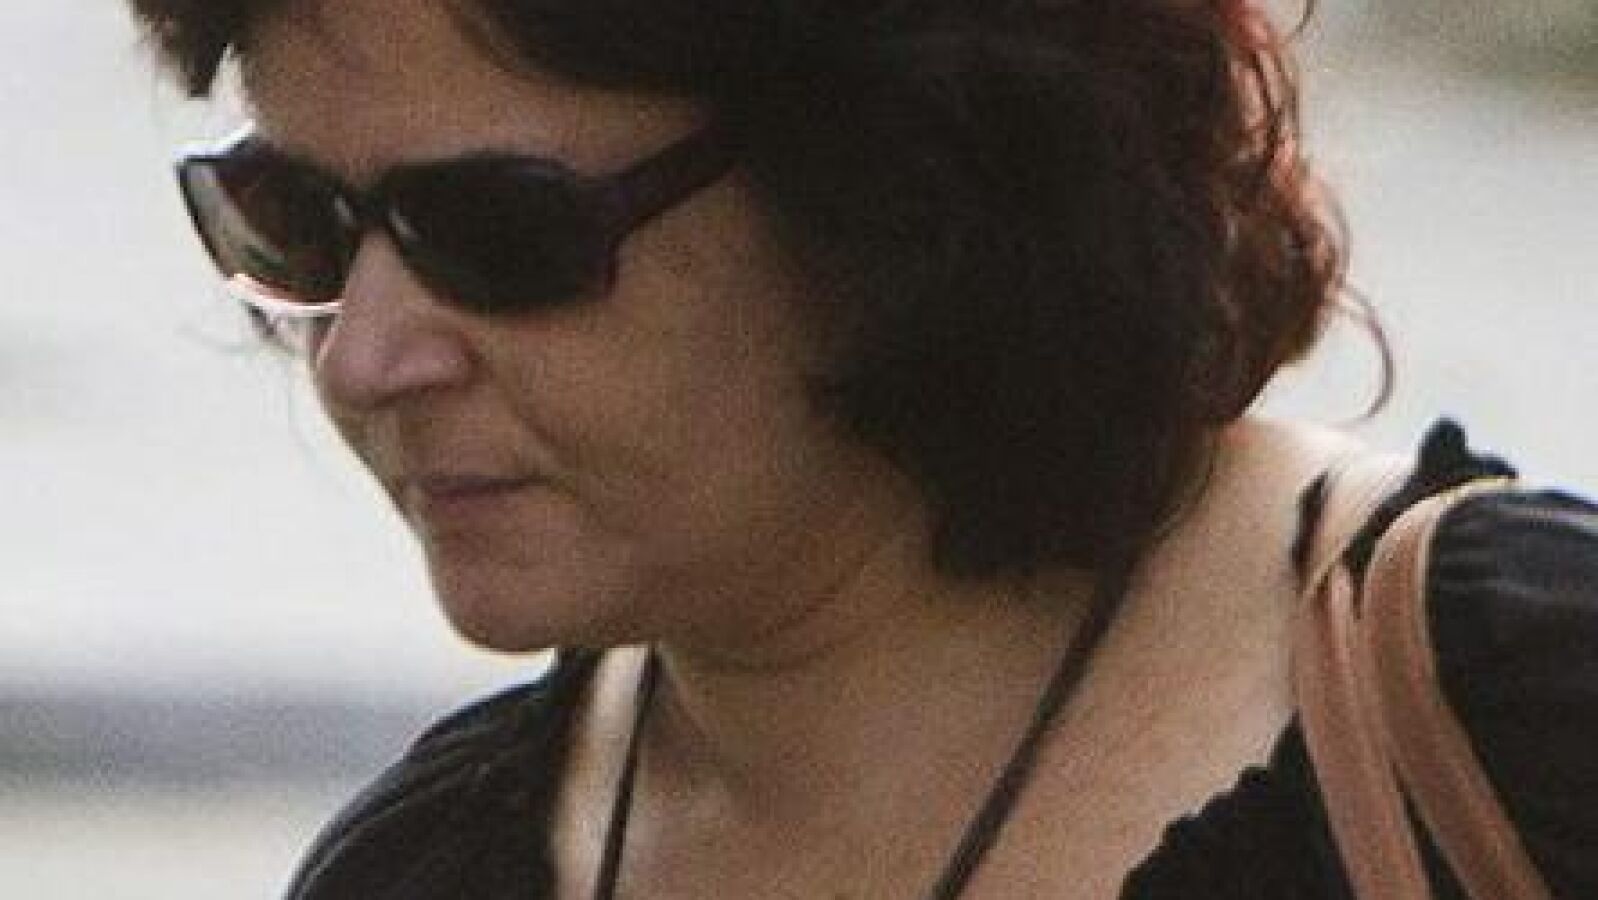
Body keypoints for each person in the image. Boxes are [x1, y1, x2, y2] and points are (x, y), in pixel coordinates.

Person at [125, 0, 1597, 896]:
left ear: (894, 184)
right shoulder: (434, 872)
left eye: (503, 231)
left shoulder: (1511, 720)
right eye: (294, 222)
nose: (367, 356)